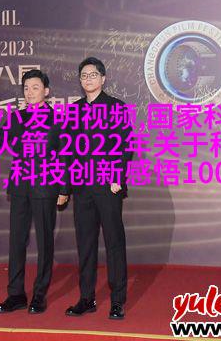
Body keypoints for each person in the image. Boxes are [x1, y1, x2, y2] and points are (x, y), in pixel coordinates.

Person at [0, 69, 70, 314]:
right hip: (20, 185)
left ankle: (39, 295)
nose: (30, 92)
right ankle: (16, 294)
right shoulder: (16, 118)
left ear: (46, 91)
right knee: (17, 241)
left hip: (46, 186)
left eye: (35, 87)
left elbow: (65, 156)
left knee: (45, 242)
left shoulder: (58, 120)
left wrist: (64, 188)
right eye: (26, 88)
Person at [64, 57, 132, 320]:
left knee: (114, 242)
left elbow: (124, 146)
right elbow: (67, 151)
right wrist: (66, 187)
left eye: (93, 75)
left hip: (107, 185)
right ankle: (87, 298)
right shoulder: (74, 110)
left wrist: (117, 177)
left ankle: (117, 300)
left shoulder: (116, 107)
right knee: (86, 243)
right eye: (84, 75)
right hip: (82, 187)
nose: (88, 79)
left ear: (103, 78)